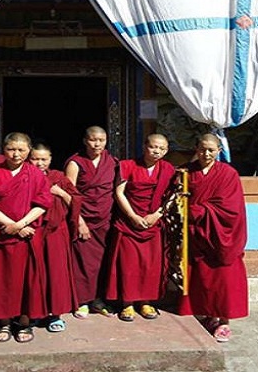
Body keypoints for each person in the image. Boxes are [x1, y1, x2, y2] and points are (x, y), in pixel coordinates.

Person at [0, 132, 53, 343]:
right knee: (1, 281)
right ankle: (4, 322)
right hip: (1, 236)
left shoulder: (36, 175)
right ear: (3, 149)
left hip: (26, 237)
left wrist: (20, 225)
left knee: (26, 281)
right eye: (11, 149)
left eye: (21, 150)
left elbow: (43, 205)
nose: (16, 154)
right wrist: (9, 225)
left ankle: (25, 322)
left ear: (28, 151)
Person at [178, 133, 249, 342]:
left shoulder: (228, 174)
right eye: (202, 149)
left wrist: (199, 210)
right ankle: (209, 315)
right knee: (202, 279)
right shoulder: (187, 172)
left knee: (224, 279)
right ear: (195, 149)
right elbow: (177, 196)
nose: (206, 154)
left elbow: (231, 208)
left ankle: (224, 322)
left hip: (221, 236)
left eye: (211, 150)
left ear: (219, 151)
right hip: (198, 235)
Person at [106, 134, 176, 322]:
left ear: (166, 150)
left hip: (153, 222)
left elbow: (172, 195)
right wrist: (132, 216)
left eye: (161, 149)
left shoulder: (168, 169)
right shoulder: (128, 165)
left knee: (150, 265)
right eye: (153, 147)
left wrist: (158, 214)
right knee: (128, 265)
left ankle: (146, 301)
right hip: (129, 223)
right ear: (144, 146)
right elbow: (119, 192)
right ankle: (127, 303)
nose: (157, 151)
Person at [64, 126, 119, 319]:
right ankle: (81, 301)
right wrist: (79, 221)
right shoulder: (75, 163)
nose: (97, 144)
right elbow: (70, 194)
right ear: (85, 141)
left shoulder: (112, 162)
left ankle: (98, 299)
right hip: (84, 218)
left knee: (103, 262)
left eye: (101, 140)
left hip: (105, 219)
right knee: (83, 263)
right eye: (93, 140)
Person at [29, 143, 82, 333]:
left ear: (50, 159)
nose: (39, 163)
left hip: (56, 232)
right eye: (35, 159)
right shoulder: (25, 176)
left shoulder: (58, 177)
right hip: (33, 231)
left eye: (44, 159)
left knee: (56, 273)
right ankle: (34, 313)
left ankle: (56, 315)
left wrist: (59, 192)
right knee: (35, 273)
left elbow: (75, 201)